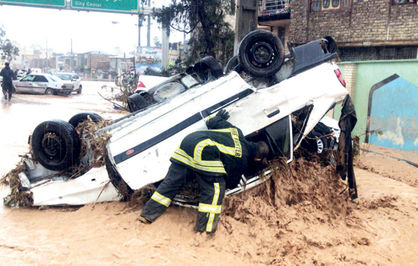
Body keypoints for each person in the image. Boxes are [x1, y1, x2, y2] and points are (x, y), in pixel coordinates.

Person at [139, 110, 269, 233]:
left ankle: (147, 215)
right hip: (205, 151)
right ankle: (205, 230)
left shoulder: (236, 131)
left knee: (171, 183)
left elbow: (211, 121)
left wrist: (220, 117)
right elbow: (231, 184)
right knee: (216, 190)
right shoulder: (242, 159)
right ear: (257, 158)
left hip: (189, 142)